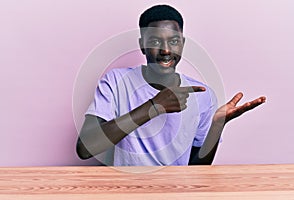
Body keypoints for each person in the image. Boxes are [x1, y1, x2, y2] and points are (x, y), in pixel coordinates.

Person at [76, 5, 266, 166]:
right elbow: (85, 148)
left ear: (182, 44)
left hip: (177, 192)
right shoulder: (116, 81)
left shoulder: (202, 95)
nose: (166, 50)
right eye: (155, 41)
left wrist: (216, 126)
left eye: (173, 41)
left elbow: (196, 169)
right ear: (142, 45)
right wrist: (154, 107)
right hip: (128, 190)